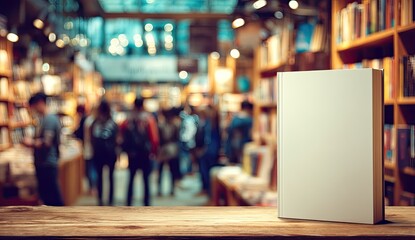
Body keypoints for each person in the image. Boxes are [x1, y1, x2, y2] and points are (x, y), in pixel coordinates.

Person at [23, 92, 64, 206]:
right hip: (44, 164)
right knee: (47, 197)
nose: (34, 110)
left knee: (53, 198)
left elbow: (46, 142)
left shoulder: (49, 119)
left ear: (40, 103)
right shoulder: (45, 119)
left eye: (34, 106)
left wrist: (30, 143)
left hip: (47, 164)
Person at [120, 98, 159, 206]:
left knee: (131, 178)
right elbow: (154, 138)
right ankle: (146, 203)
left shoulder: (128, 119)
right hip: (145, 154)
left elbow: (121, 135)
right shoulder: (148, 119)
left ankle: (128, 202)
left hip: (132, 154)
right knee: (146, 180)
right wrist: (154, 152)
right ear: (143, 105)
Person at [91, 100, 118, 206]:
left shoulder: (95, 122)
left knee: (100, 177)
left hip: (99, 153)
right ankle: (110, 199)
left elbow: (92, 138)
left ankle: (100, 200)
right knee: (111, 177)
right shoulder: (112, 123)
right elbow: (117, 139)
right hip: (110, 153)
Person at [157, 109, 181, 196]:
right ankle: (162, 189)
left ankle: (170, 189)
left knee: (171, 170)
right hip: (167, 149)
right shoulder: (163, 125)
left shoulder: (173, 125)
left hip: (169, 149)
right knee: (163, 170)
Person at [83, 106, 97, 195]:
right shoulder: (94, 121)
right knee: (93, 169)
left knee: (91, 169)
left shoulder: (89, 121)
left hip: (89, 149)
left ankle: (93, 188)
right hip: (93, 149)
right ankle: (94, 187)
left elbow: (88, 137)